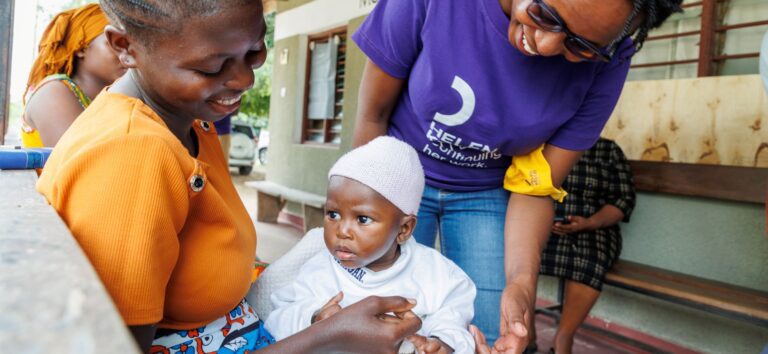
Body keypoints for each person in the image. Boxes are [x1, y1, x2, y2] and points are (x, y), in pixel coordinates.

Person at [37, 1, 420, 353]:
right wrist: (330, 335)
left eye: (254, 50)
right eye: (210, 67)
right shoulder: (133, 155)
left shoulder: (189, 121)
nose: (243, 80)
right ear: (126, 46)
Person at [350, 0, 683, 352]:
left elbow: (535, 187)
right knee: (377, 319)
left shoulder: (610, 58)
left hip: (487, 189)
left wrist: (521, 284)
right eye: (545, 15)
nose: (547, 45)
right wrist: (363, 215)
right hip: (395, 176)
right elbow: (374, 115)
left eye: (582, 46)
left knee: (492, 335)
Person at [266, 136, 477, 354]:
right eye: (333, 214)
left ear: (404, 229)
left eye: (363, 219)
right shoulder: (319, 268)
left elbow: (454, 323)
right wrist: (314, 318)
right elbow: (276, 319)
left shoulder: (437, 275)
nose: (342, 231)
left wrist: (441, 343)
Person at [530, 138, 635, 354]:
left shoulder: (608, 150)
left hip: (594, 228)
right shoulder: (539, 143)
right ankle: (526, 333)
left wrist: (590, 222)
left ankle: (564, 338)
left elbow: (623, 199)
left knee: (590, 262)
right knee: (521, 256)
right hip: (543, 224)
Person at [22, 3, 125, 148]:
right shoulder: (53, 92)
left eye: (130, 45)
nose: (127, 53)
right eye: (115, 44)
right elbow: (82, 163)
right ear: (81, 49)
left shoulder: (113, 98)